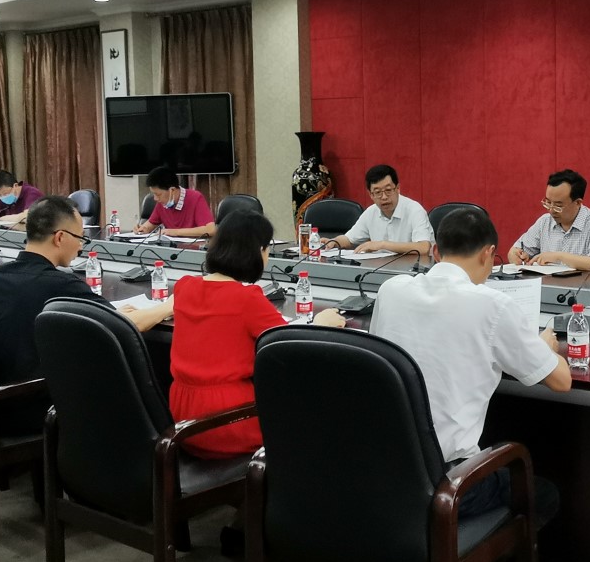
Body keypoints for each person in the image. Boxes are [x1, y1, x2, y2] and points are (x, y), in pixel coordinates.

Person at [370, 207, 570, 525]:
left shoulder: (390, 290)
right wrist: (545, 347)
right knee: (545, 493)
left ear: (435, 252)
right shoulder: (492, 305)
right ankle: (465, 554)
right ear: (488, 254)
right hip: (448, 485)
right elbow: (561, 381)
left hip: (386, 471)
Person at [0, 196, 171, 432]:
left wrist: (107, 312)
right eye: (80, 238)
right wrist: (169, 305)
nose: (81, 247)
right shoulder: (61, 285)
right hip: (39, 411)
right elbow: (126, 326)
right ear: (60, 237)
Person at [169, 210, 345, 460]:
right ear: (258, 251)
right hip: (229, 421)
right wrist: (320, 322)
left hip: (184, 421)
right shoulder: (246, 299)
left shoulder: (185, 286)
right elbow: (291, 344)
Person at [508, 169, 590, 271]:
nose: (551, 210)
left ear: (578, 203)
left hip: (581, 282)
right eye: (548, 202)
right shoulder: (544, 222)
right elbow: (515, 251)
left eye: (558, 205)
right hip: (547, 282)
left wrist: (559, 257)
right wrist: (515, 255)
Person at [329, 164, 435, 256]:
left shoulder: (415, 210)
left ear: (398, 188)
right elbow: (349, 239)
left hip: (414, 270)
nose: (384, 197)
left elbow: (423, 248)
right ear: (371, 194)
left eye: (388, 190)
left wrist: (382, 245)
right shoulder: (370, 213)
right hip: (381, 268)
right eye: (378, 192)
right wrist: (333, 242)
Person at [133, 166, 216, 238]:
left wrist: (175, 232)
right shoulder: (162, 203)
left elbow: (211, 230)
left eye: (158, 194)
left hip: (193, 248)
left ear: (172, 190)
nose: (155, 198)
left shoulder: (195, 198)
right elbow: (149, 225)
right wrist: (142, 229)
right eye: (153, 194)